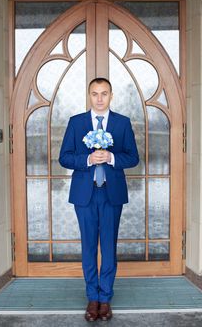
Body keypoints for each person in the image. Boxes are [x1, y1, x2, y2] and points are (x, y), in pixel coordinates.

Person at [59, 78, 139, 322]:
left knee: (108, 247)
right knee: (88, 247)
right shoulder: (76, 123)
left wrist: (112, 158)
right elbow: (64, 157)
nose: (100, 98)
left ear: (111, 96)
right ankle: (92, 297)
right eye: (95, 94)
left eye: (104, 93)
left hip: (111, 193)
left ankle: (106, 299)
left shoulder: (122, 123)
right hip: (85, 194)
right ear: (89, 95)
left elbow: (133, 157)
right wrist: (87, 160)